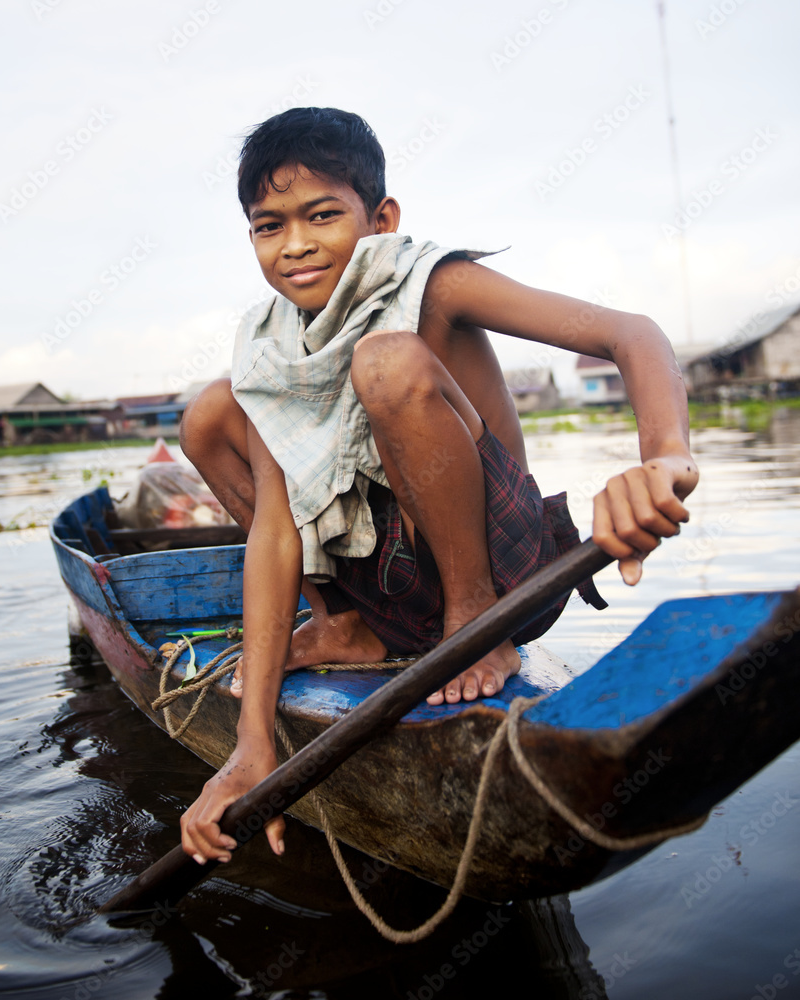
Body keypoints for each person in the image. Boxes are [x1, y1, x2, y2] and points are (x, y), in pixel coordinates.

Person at [178, 107, 699, 866]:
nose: (295, 245)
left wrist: (664, 461)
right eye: (269, 226)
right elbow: (275, 531)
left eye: (322, 215)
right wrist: (252, 743)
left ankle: (470, 624)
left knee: (386, 362)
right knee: (208, 414)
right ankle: (346, 623)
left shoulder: (435, 282)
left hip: (502, 571)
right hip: (387, 584)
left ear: (380, 216)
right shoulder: (273, 348)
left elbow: (632, 334)